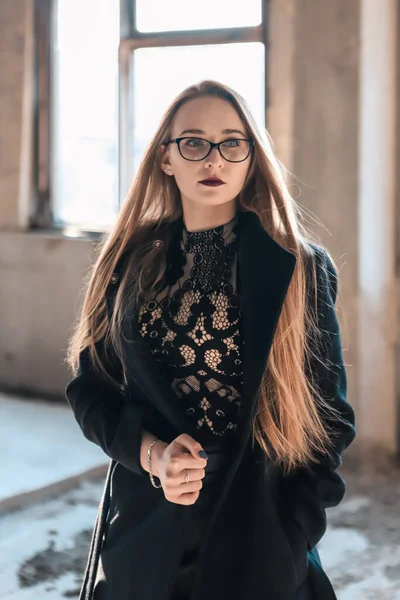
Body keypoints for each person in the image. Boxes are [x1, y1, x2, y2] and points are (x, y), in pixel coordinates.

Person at [65, 79, 356, 600]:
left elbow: (330, 423)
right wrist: (152, 456)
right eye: (193, 142)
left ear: (250, 158)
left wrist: (293, 536)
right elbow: (90, 394)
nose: (213, 159)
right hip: (147, 535)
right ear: (166, 159)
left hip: (262, 540)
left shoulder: (303, 269)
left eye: (232, 143)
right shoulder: (127, 263)